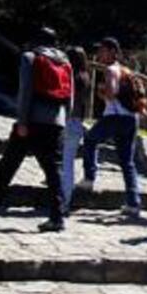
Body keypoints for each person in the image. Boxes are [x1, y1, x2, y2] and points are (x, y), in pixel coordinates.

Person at [0, 27, 72, 231]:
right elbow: (69, 97)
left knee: (7, 166)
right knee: (54, 172)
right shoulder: (66, 62)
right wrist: (65, 121)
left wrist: (22, 122)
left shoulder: (30, 57)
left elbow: (25, 91)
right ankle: (57, 217)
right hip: (57, 123)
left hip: (32, 121)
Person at [77, 37, 143, 217]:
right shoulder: (127, 70)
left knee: (90, 139)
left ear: (113, 52)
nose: (99, 54)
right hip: (132, 119)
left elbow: (112, 93)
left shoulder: (110, 70)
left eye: (102, 50)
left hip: (115, 117)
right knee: (127, 163)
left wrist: (100, 91)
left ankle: (89, 177)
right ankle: (133, 203)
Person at [60, 46, 91, 209]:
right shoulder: (85, 77)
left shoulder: (71, 77)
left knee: (65, 164)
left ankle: (64, 199)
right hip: (78, 122)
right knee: (68, 162)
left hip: (68, 121)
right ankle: (64, 196)